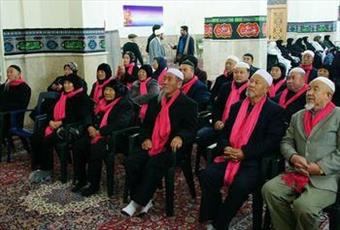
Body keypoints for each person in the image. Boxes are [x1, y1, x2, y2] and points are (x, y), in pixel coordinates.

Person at [199, 69, 285, 230]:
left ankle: (220, 223)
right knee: (207, 175)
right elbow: (224, 133)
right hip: (230, 155)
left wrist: (244, 153)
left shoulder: (274, 111)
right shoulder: (237, 107)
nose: (251, 84)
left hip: (253, 161)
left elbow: (272, 142)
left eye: (256, 82)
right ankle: (212, 214)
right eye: (251, 81)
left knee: (240, 185)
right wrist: (226, 148)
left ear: (267, 88)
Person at [262, 77, 340, 230]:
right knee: (269, 190)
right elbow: (286, 141)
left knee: (304, 207)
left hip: (325, 178)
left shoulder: (338, 116)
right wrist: (293, 156)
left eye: (315, 89)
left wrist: (320, 167)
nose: (309, 92)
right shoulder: (297, 116)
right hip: (297, 172)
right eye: (309, 88)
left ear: (328, 95)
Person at [122, 68, 198, 217]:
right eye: (165, 79)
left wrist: (181, 137)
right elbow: (146, 126)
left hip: (171, 148)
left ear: (179, 83)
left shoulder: (188, 104)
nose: (165, 82)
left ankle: (136, 203)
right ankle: (146, 199)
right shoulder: (155, 101)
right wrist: (146, 138)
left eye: (169, 79)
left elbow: (191, 129)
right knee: (131, 162)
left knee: (153, 164)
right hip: (152, 144)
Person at [72, 81, 133, 196]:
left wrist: (100, 131)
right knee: (78, 145)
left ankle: (93, 185)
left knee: (95, 148)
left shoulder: (124, 104)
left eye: (111, 90)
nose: (107, 93)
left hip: (113, 137)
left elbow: (120, 124)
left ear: (117, 92)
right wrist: (89, 126)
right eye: (106, 90)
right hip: (94, 132)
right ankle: (81, 179)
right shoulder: (101, 102)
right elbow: (88, 115)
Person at [30, 74, 91, 183]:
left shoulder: (82, 97)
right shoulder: (62, 95)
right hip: (55, 124)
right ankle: (39, 165)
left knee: (47, 140)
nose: (66, 85)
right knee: (36, 136)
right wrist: (50, 121)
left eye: (69, 83)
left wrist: (61, 122)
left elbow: (78, 117)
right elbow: (50, 111)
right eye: (65, 83)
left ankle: (46, 170)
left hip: (69, 128)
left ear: (75, 84)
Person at [196, 62, 250, 166]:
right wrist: (217, 120)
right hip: (220, 125)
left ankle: (224, 163)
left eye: (241, 72)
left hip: (237, 129)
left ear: (248, 74)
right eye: (236, 72)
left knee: (221, 144)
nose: (238, 75)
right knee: (201, 136)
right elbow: (217, 107)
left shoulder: (250, 90)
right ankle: (210, 161)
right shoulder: (226, 87)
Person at [0, 65, 31, 139]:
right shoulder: (6, 86)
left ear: (19, 74)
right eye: (7, 72)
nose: (8, 74)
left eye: (11, 72)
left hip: (13, 117)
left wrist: (3, 107)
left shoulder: (24, 88)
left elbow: (21, 105)